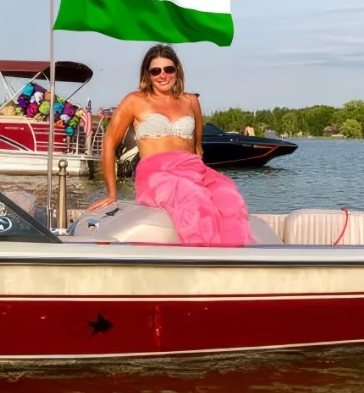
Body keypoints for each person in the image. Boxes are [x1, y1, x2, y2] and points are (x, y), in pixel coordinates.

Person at [86, 44, 254, 246]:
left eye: (168, 69)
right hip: (156, 174)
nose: (162, 75)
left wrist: (198, 168)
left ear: (177, 71)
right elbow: (110, 142)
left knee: (230, 199)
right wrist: (111, 193)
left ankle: (236, 259)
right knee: (195, 201)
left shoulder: (190, 101)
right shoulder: (135, 101)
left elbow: (197, 147)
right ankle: (206, 261)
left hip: (193, 169)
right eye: (155, 70)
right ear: (147, 75)